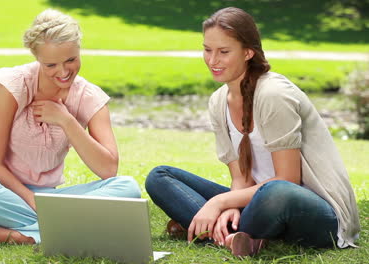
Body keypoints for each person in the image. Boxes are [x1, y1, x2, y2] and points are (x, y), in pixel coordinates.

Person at [145, 7, 360, 257]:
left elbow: (288, 179)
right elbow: (241, 178)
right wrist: (231, 205)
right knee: (159, 176)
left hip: (315, 211)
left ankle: (213, 231)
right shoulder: (219, 101)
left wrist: (220, 202)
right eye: (207, 50)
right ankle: (241, 235)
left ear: (248, 52)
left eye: (224, 52)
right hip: (256, 202)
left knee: (275, 191)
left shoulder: (273, 95)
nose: (212, 60)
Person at [0, 9, 141, 246]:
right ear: (37, 58)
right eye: (51, 65)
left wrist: (66, 121)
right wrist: (32, 200)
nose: (63, 72)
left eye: (71, 60)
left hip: (51, 198)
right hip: (7, 194)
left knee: (127, 189)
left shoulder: (88, 96)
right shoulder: (14, 87)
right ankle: (77, 231)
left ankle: (16, 235)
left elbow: (108, 170)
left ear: (79, 50)